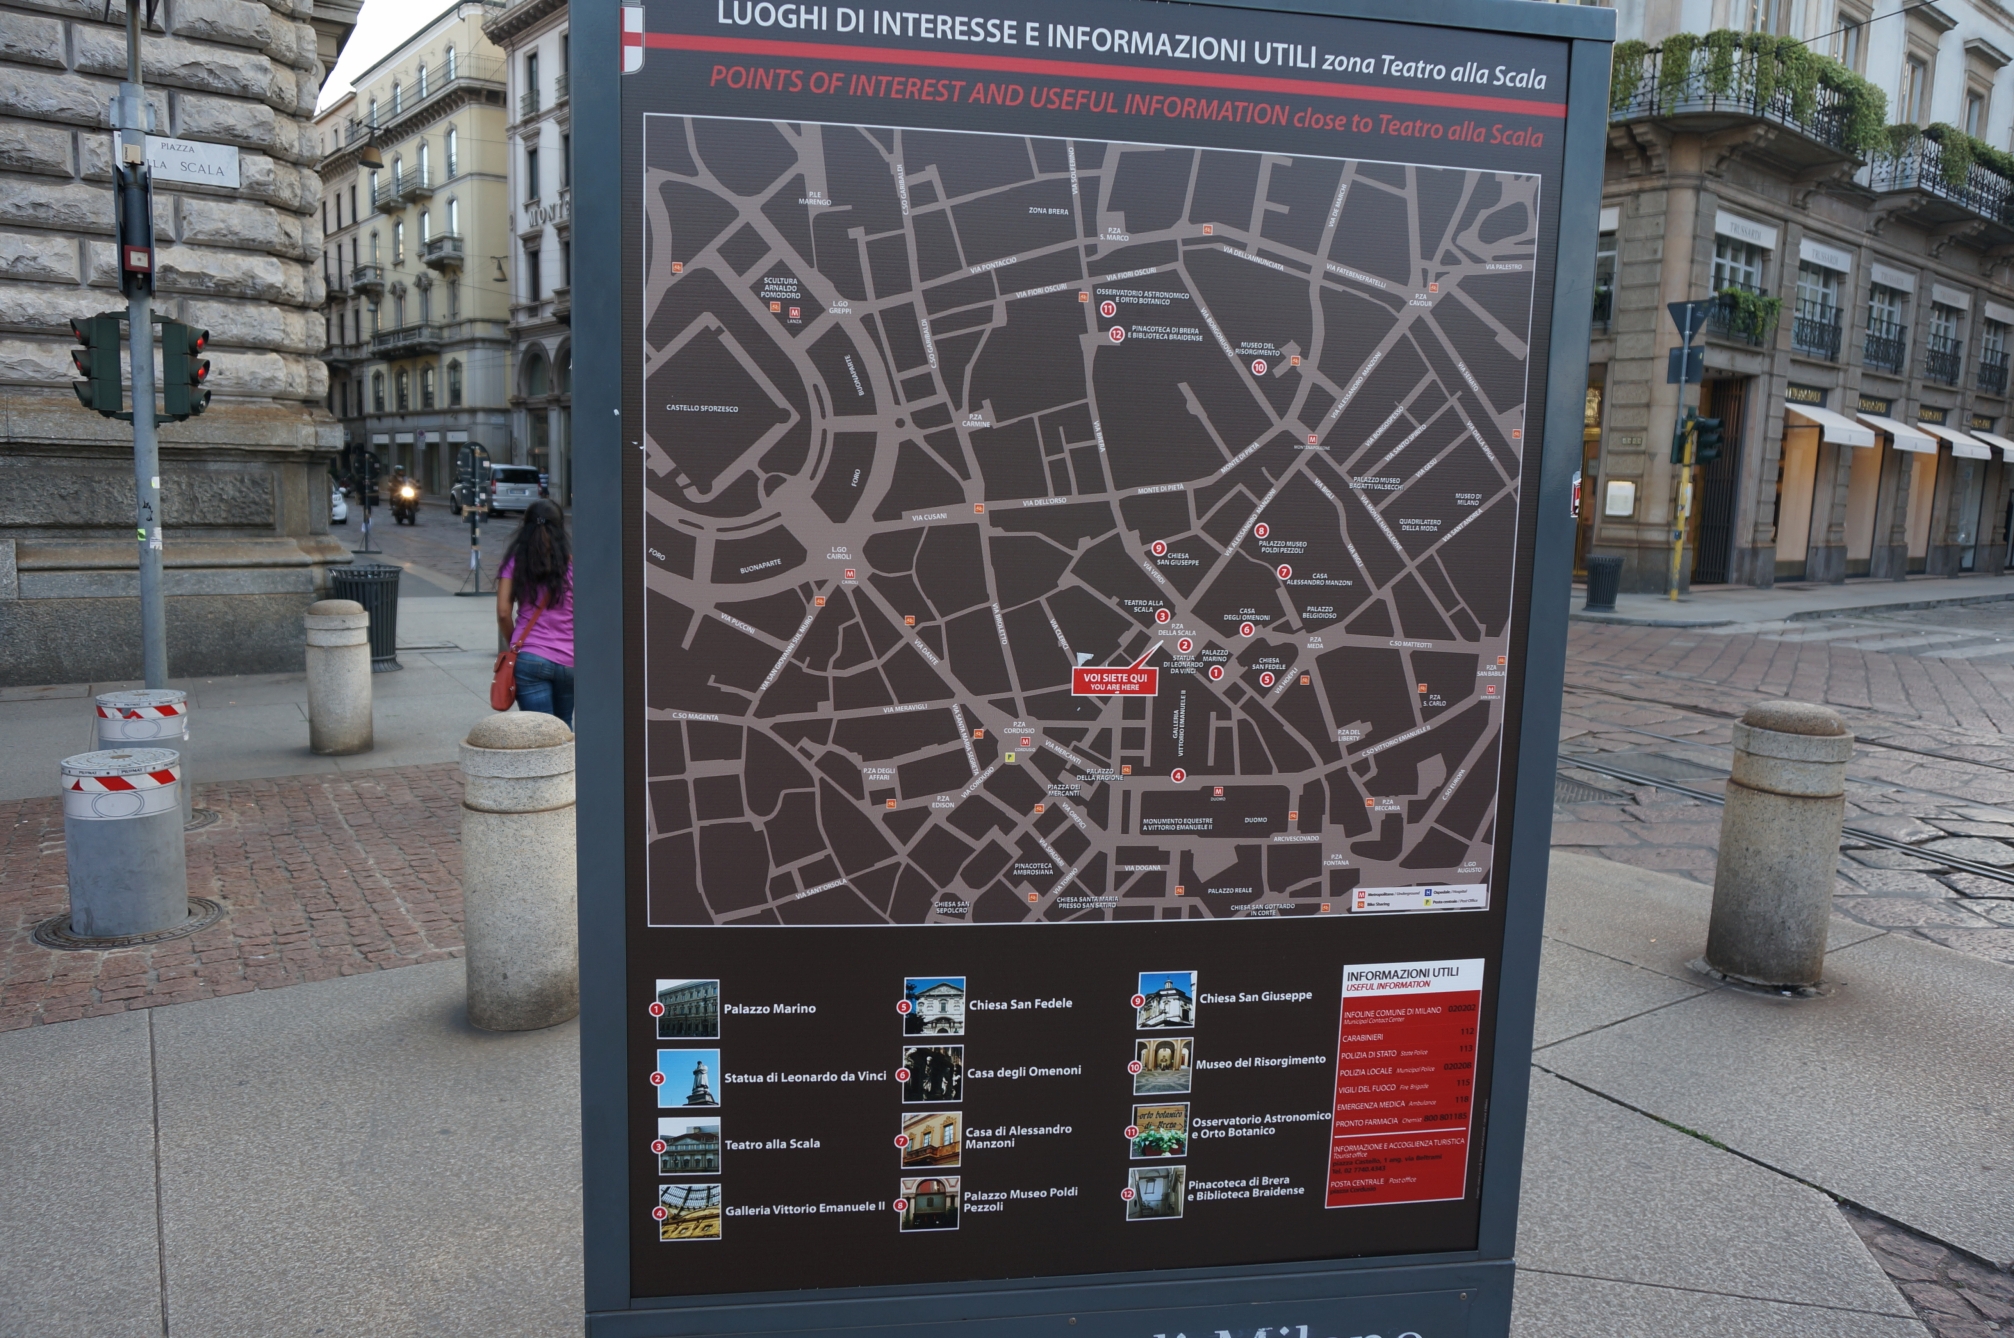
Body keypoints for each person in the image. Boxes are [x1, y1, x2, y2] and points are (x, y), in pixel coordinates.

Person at [496, 498, 575, 727]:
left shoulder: (514, 563)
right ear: (560, 528)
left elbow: (503, 612)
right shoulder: (573, 565)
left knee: (538, 732)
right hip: (570, 659)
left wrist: (516, 643)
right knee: (563, 728)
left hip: (530, 656)